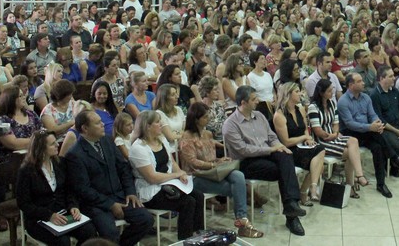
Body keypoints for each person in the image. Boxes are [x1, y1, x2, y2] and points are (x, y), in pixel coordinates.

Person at [222, 85, 307, 237]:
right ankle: (292, 215)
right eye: (254, 99)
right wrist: (270, 149)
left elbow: (272, 137)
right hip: (246, 162)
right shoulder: (231, 124)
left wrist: (279, 146)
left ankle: (291, 205)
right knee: (283, 169)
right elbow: (243, 150)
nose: (258, 101)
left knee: (286, 155)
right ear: (243, 103)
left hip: (266, 154)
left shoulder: (259, 116)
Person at [65, 111, 154, 246]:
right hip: (96, 204)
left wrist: (130, 192)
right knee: (110, 233)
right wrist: (110, 204)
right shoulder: (75, 154)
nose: (103, 124)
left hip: (119, 196)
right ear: (85, 128)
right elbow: (83, 189)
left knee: (146, 220)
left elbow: (123, 168)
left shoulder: (107, 140)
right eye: (97, 123)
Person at [179, 102, 263, 238]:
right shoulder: (187, 138)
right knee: (237, 188)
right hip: (195, 176)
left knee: (238, 175)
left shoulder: (207, 134)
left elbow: (211, 158)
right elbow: (193, 162)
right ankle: (242, 222)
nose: (209, 119)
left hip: (212, 172)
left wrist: (219, 161)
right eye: (205, 117)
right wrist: (214, 165)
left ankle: (242, 219)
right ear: (196, 119)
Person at [128, 110, 205, 240]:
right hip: (151, 190)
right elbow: (151, 177)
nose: (161, 125)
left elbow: (172, 162)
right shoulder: (138, 148)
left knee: (198, 195)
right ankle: (185, 240)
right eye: (158, 122)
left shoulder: (161, 140)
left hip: (168, 183)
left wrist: (180, 174)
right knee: (188, 202)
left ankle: (198, 234)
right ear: (148, 126)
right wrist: (176, 175)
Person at [17, 130, 98, 246]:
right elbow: (23, 203)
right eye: (52, 144)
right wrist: (49, 215)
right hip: (39, 218)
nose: (57, 145)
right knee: (62, 241)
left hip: (63, 212)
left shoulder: (59, 163)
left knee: (89, 232)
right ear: (41, 149)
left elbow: (69, 190)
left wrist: (73, 206)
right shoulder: (26, 171)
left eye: (56, 142)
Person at [337, 72, 399, 198]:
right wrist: (370, 127)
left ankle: (381, 184)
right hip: (351, 134)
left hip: (367, 132)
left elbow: (372, 115)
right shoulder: (343, 101)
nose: (363, 83)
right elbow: (350, 124)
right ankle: (394, 157)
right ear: (351, 85)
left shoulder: (366, 97)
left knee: (378, 147)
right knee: (376, 135)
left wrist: (377, 124)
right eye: (359, 81)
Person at [307, 78, 368, 197]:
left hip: (333, 137)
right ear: (321, 93)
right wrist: (330, 135)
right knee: (352, 153)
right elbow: (317, 130)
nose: (332, 93)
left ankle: (358, 176)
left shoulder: (332, 104)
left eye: (332, 90)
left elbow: (336, 124)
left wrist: (334, 134)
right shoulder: (313, 107)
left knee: (353, 142)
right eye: (329, 91)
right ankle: (352, 183)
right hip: (321, 142)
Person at [272, 82, 325, 205]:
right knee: (320, 157)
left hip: (302, 146)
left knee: (319, 160)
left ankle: (308, 189)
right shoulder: (279, 115)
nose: (300, 94)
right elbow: (286, 142)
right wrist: (304, 137)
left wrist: (308, 138)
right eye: (297, 92)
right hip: (289, 150)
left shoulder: (300, 109)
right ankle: (308, 190)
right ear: (288, 95)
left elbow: (305, 128)